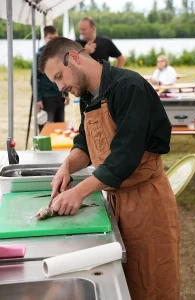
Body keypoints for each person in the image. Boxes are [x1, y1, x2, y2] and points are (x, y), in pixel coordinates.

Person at [39, 37, 180, 300]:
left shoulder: (128, 87)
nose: (60, 87)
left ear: (75, 57)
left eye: (59, 76)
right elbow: (84, 142)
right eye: (54, 82)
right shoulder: (88, 95)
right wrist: (67, 166)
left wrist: (78, 192)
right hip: (116, 200)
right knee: (122, 284)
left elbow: (124, 158)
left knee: (152, 283)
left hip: (146, 202)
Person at [31, 25, 69, 132]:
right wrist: (38, 99)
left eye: (55, 37)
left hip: (60, 95)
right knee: (47, 127)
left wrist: (66, 94)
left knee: (60, 126)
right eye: (50, 38)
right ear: (45, 38)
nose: (53, 41)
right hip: (47, 97)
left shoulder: (60, 53)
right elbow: (34, 79)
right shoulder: (39, 55)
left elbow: (64, 74)